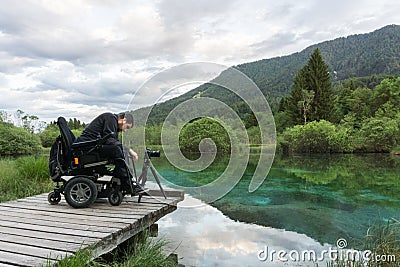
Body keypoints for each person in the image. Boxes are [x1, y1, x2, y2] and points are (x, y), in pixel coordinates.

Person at [74, 112, 140, 194]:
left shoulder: (113, 124)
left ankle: (125, 180)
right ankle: (127, 182)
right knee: (117, 149)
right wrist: (129, 150)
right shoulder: (110, 118)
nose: (125, 130)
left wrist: (126, 150)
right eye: (126, 127)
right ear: (124, 120)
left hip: (93, 146)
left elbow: (112, 141)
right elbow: (110, 141)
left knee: (119, 149)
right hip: (86, 148)